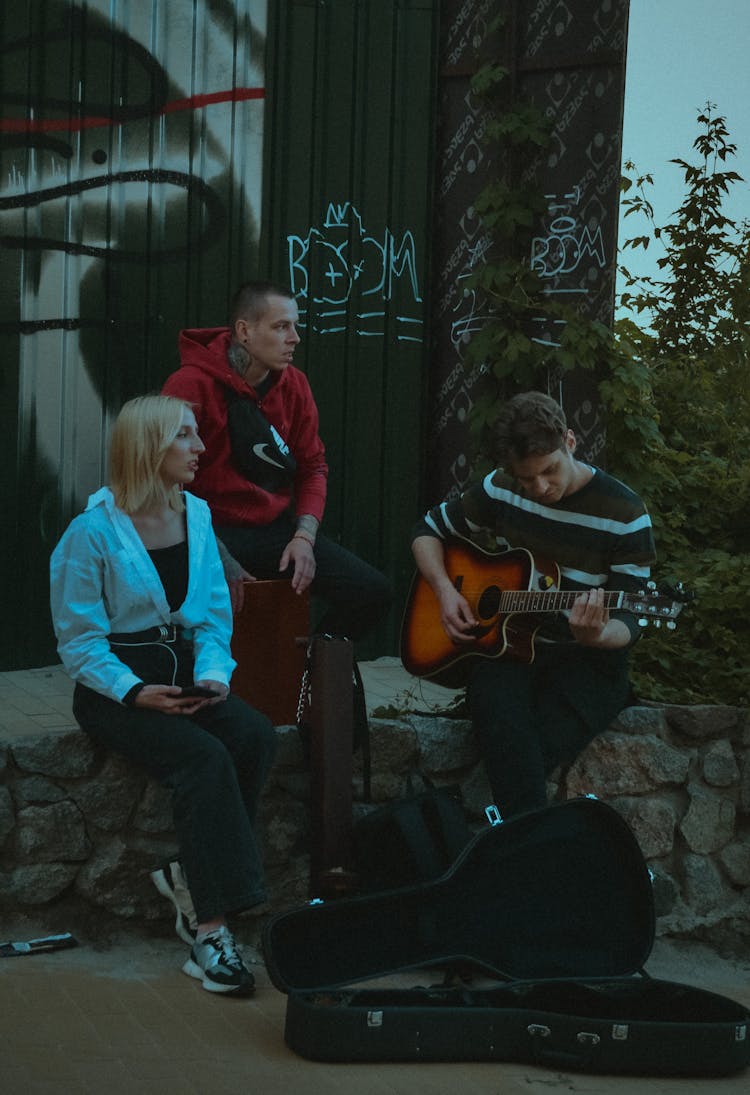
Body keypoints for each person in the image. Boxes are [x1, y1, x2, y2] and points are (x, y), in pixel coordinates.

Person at [50, 394, 276, 998]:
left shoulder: (195, 515)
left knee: (253, 735)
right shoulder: (91, 533)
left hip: (184, 676)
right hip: (113, 688)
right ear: (149, 447)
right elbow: (77, 641)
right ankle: (210, 931)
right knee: (203, 759)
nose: (200, 448)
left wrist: (213, 680)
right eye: (185, 437)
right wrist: (133, 692)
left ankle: (194, 875)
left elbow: (212, 619)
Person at [411, 390, 657, 819]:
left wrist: (597, 633)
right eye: (527, 480)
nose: (539, 488)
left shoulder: (624, 512)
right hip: (511, 649)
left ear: (570, 442)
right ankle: (529, 849)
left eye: (549, 471)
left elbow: (632, 617)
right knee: (497, 711)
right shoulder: (501, 488)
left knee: (528, 746)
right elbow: (427, 530)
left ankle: (508, 841)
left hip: (588, 661)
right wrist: (446, 591)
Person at [162, 280, 391, 637]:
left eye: (295, 326)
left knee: (371, 591)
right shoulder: (189, 385)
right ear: (244, 332)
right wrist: (217, 556)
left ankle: (307, 677)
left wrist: (304, 537)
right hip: (203, 530)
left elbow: (314, 467)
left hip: (273, 531)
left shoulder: (294, 384)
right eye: (281, 326)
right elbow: (164, 484)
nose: (295, 337)